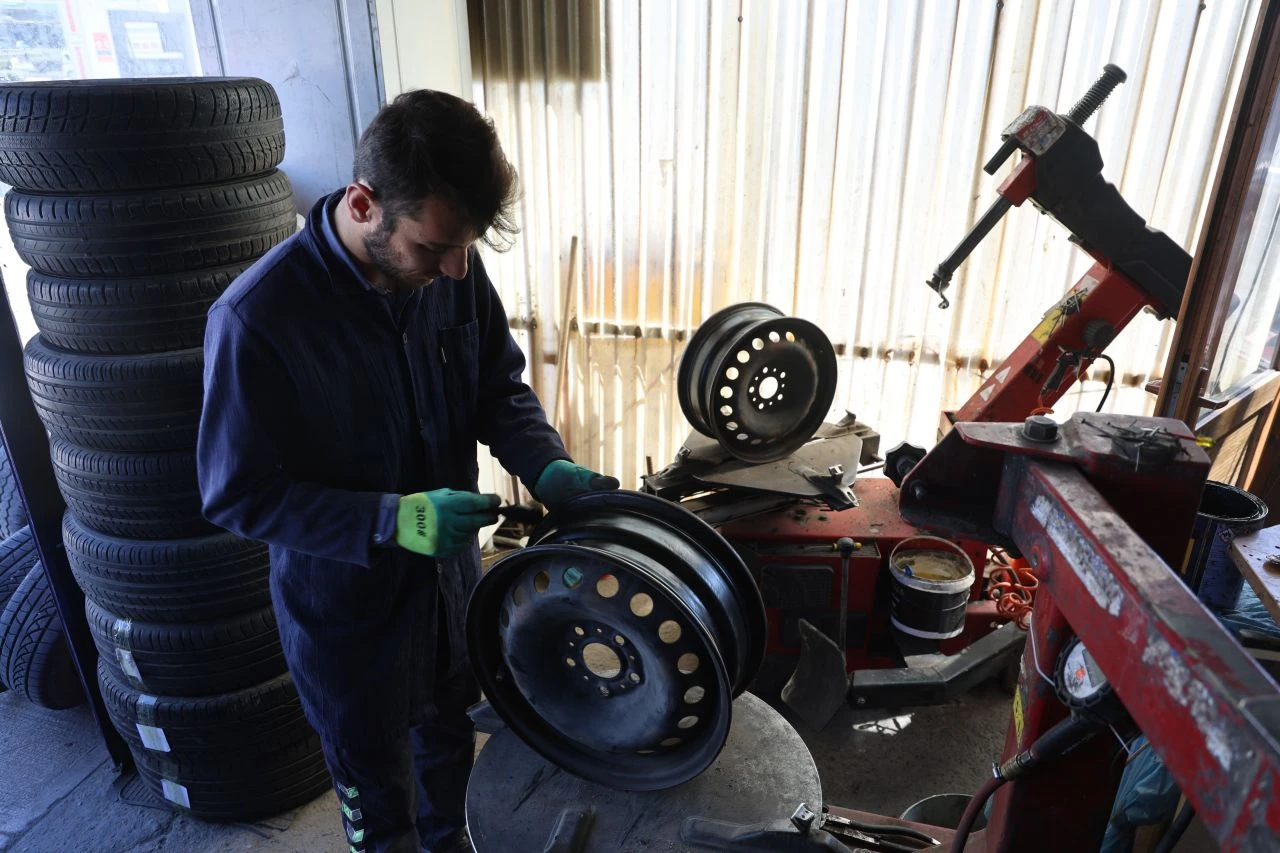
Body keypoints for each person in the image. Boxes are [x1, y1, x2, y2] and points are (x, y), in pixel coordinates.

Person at [197, 89, 618, 853]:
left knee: (449, 762)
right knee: (381, 810)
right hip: (349, 627)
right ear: (364, 204)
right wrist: (390, 520)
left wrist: (546, 463)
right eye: (434, 248)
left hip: (449, 601)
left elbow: (497, 387)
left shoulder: (449, 271)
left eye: (468, 246)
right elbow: (237, 492)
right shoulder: (258, 318)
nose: (456, 269)